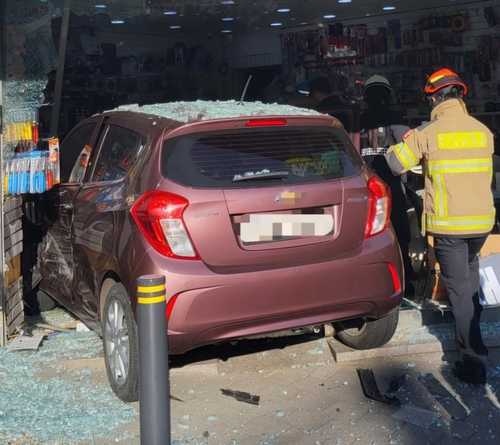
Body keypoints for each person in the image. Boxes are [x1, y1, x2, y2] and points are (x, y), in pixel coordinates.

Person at [385, 68, 495, 385]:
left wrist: (405, 143)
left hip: (451, 227)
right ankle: (473, 340)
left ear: (433, 98)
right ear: (459, 95)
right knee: (468, 285)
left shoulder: (428, 132)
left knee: (459, 292)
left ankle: (474, 361)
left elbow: (394, 164)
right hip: (481, 225)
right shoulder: (482, 130)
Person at [360, 75, 415, 295]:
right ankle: (405, 280)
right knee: (399, 234)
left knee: (371, 237)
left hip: (366, 189)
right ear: (388, 95)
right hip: (391, 187)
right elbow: (410, 150)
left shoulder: (358, 121)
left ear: (365, 97)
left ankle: (375, 283)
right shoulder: (396, 119)